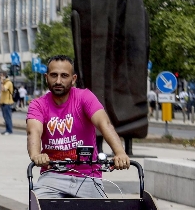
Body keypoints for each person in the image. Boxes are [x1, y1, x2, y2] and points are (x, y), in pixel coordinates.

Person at [27, 55, 129, 198]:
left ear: (73, 79)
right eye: (54, 75)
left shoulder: (84, 97)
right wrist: (36, 155)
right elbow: (34, 132)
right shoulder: (38, 104)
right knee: (37, 207)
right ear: (46, 77)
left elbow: (104, 124)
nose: (58, 81)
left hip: (88, 176)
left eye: (64, 76)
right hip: (52, 176)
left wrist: (120, 153)